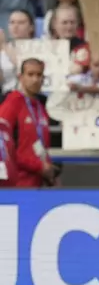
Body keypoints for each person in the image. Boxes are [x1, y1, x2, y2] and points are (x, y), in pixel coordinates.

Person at [0, 58, 56, 188]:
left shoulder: (41, 107)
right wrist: (38, 166)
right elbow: (4, 146)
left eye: (39, 75)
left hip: (38, 183)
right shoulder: (12, 103)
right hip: (17, 184)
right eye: (30, 74)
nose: (35, 79)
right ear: (21, 77)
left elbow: (40, 144)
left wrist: (48, 170)